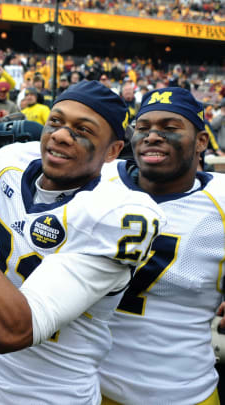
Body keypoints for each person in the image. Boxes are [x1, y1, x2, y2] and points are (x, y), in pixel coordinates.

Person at [0, 80, 164, 404]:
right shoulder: (15, 163)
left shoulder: (115, 214)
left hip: (51, 395)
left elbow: (14, 331)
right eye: (56, 121)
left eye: (83, 130)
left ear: (112, 151)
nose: (62, 135)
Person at [98, 87, 223, 405]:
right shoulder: (97, 180)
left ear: (201, 142)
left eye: (170, 128)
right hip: (89, 386)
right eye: (143, 128)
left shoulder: (219, 202)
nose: (153, 136)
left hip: (182, 392)